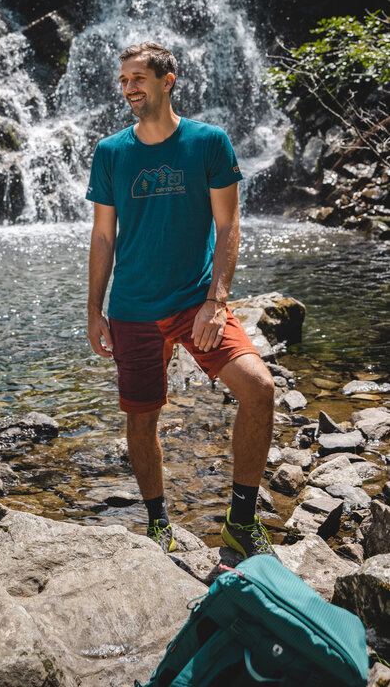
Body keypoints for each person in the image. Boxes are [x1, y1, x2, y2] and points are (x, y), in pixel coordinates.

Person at [86, 42, 277, 558]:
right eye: (123, 79)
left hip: (196, 303)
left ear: (167, 81)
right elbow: (103, 236)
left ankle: (240, 520)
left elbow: (229, 224)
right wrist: (93, 310)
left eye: (138, 78)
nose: (129, 87)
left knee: (259, 388)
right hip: (131, 308)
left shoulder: (209, 142)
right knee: (141, 417)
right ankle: (158, 521)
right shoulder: (110, 152)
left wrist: (217, 301)